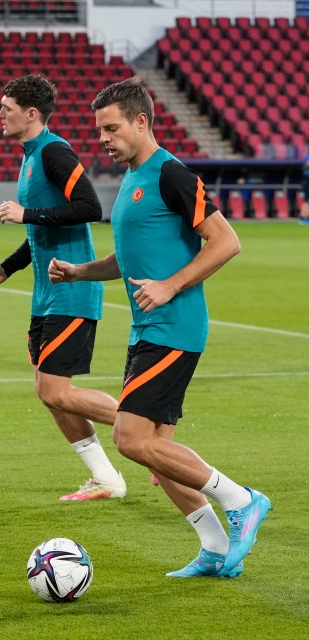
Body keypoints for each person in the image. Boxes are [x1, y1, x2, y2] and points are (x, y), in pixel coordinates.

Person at [48, 77, 271, 577]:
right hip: (147, 330)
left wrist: (170, 285)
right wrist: (81, 271)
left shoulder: (172, 174)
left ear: (142, 121)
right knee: (158, 457)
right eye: (98, 130)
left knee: (130, 439)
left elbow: (225, 241)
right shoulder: (131, 178)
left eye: (111, 128)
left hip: (174, 326)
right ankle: (215, 548)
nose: (102, 139)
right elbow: (125, 259)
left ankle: (243, 501)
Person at [0, 74, 126, 502]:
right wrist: (6, 268)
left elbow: (90, 208)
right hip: (46, 295)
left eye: (6, 107)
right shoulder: (30, 156)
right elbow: (39, 232)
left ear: (31, 113)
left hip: (73, 290)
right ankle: (107, 480)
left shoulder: (55, 151)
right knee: (51, 395)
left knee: (54, 389)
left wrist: (27, 212)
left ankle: (146, 425)